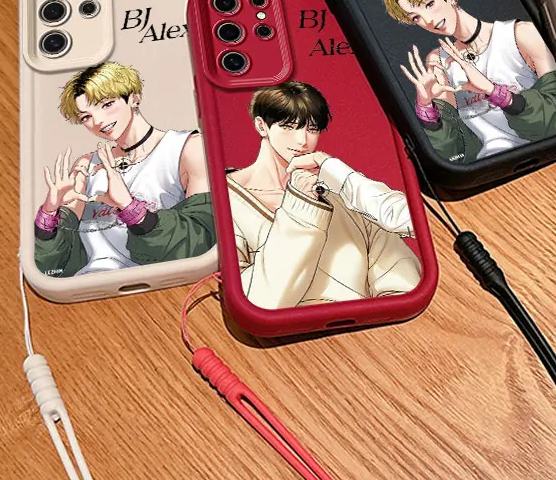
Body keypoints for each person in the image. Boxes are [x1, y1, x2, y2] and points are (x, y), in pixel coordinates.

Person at [226, 81, 421, 309]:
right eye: (289, 126)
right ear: (262, 126)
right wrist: (301, 208)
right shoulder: (225, 201)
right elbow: (256, 302)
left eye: (312, 129)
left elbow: (402, 280)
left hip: (377, 325)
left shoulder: (343, 192)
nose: (302, 141)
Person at [33, 61, 215, 277]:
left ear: (134, 98)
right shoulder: (86, 166)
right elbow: (55, 265)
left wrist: (129, 207)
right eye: (86, 117)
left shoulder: (187, 149)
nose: (98, 121)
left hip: (162, 280)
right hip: (88, 281)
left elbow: (202, 240)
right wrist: (49, 213)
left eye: (107, 104)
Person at [384, 0, 556, 163]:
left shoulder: (521, 34)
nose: (428, 20)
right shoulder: (438, 61)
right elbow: (455, 152)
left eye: (429, 4)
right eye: (416, 17)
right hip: (489, 163)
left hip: (551, 153)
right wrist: (426, 108)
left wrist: (493, 91)